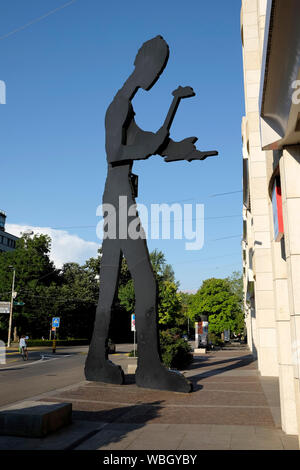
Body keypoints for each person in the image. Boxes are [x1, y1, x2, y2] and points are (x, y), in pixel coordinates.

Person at [85, 36, 217, 392]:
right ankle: (149, 369)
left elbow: (152, 143)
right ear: (140, 63)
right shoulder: (117, 107)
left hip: (116, 196)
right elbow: (116, 152)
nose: (155, 77)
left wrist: (185, 151)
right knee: (146, 281)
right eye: (154, 68)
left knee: (109, 283)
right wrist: (155, 141)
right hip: (118, 199)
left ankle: (96, 360)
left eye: (159, 71)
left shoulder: (127, 110)